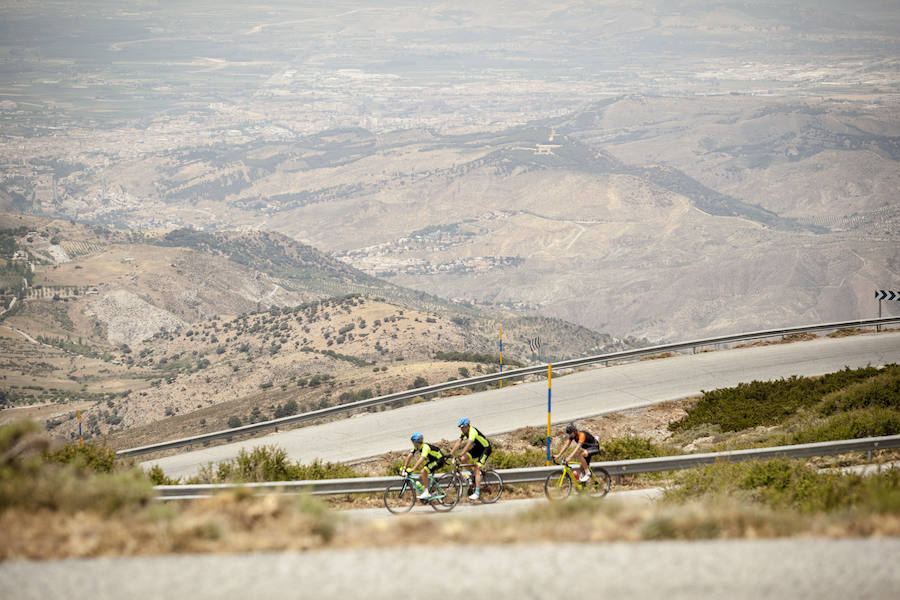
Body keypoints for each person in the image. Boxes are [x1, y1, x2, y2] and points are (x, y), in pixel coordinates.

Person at [448, 417, 492, 501]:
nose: (461, 429)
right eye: (460, 428)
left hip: (486, 448)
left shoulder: (472, 431)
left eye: (462, 428)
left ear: (467, 426)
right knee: (463, 459)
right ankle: (473, 475)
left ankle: (477, 492)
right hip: (478, 448)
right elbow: (458, 443)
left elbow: (468, 445)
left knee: (477, 468)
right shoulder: (464, 432)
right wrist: (451, 454)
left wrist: (460, 454)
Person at [400, 432, 446, 500]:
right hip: (433, 460)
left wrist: (413, 469)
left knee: (423, 471)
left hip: (439, 460)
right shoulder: (417, 447)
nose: (413, 443)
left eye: (413, 442)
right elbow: (409, 456)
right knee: (423, 472)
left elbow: (421, 459)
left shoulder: (425, 447)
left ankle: (426, 492)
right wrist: (404, 467)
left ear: (416, 442)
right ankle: (431, 491)